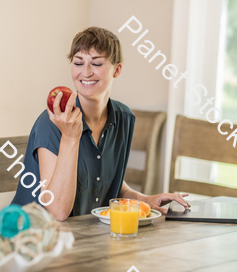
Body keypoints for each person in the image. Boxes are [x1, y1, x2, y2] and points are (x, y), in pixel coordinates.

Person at [10, 26, 190, 221]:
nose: (85, 72)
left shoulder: (123, 118)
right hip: (34, 235)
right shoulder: (53, 121)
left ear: (117, 69)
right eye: (78, 63)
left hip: (89, 235)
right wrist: (70, 138)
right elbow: (58, 211)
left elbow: (106, 180)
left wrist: (143, 199)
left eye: (96, 63)